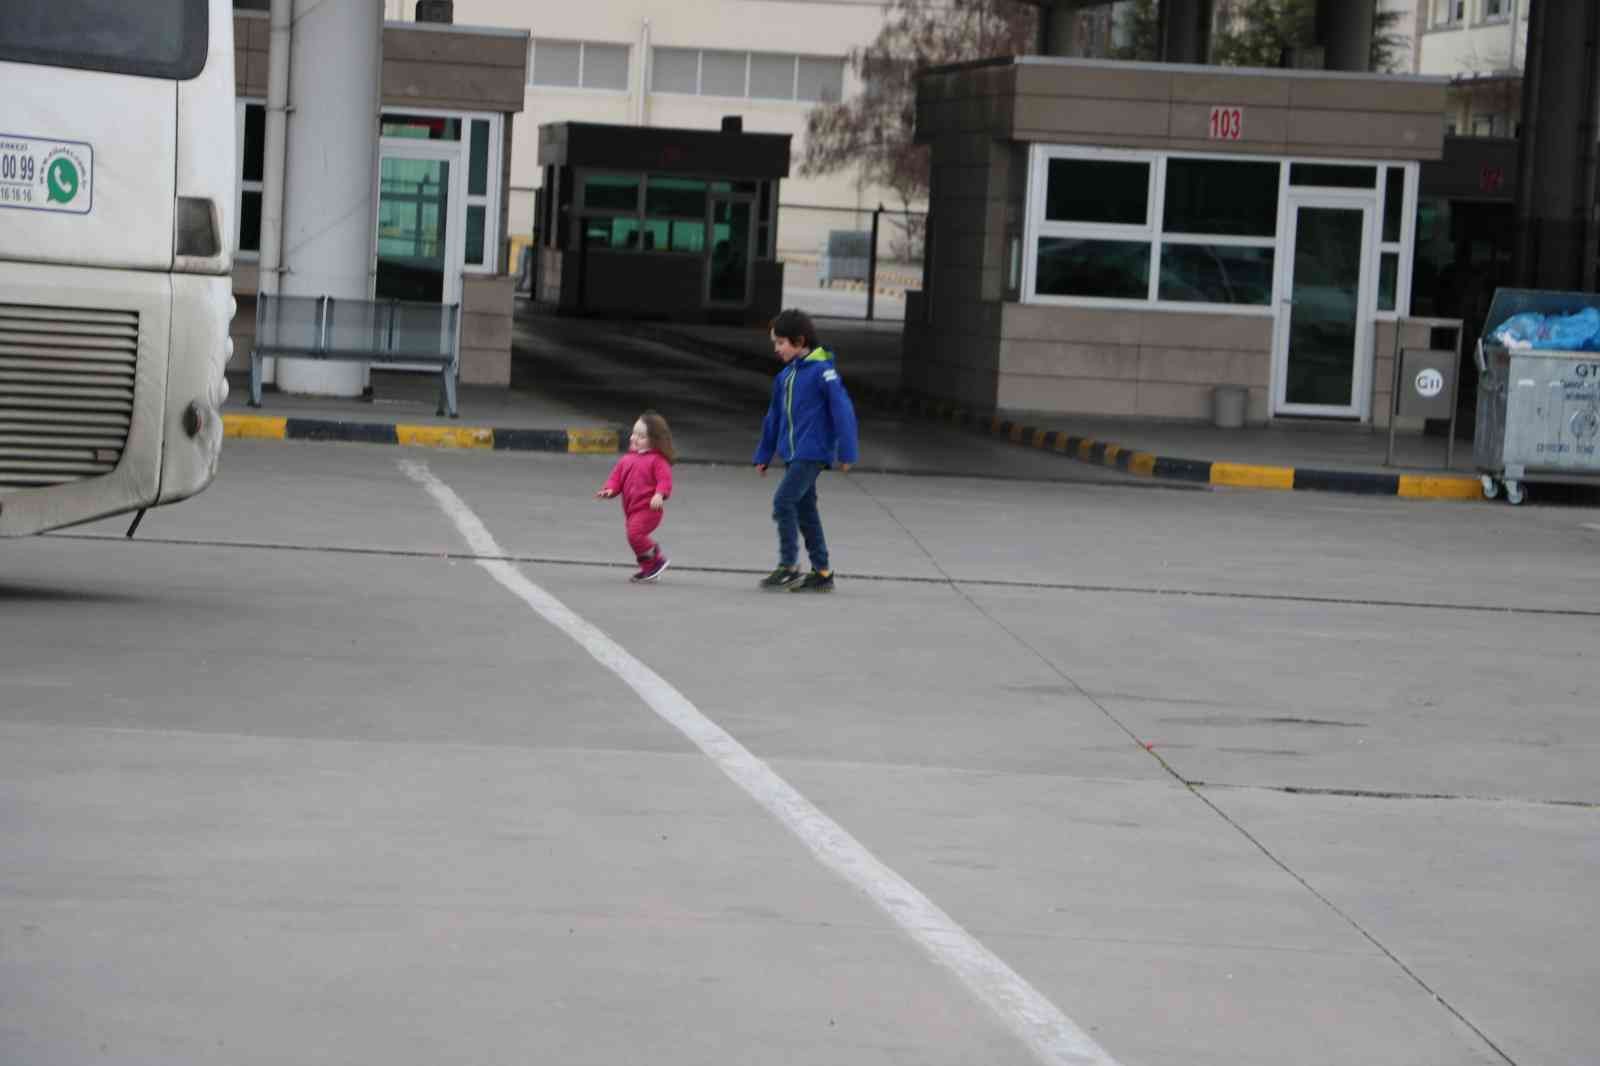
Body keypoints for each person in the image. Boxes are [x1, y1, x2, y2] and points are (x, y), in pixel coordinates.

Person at [753, 308, 859, 593]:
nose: (776, 349)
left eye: (781, 343)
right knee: (805, 510)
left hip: (811, 453)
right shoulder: (785, 376)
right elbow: (773, 417)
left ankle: (789, 566)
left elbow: (843, 411)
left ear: (800, 341)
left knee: (783, 502)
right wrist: (764, 454)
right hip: (793, 452)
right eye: (775, 343)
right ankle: (822, 571)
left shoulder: (824, 373)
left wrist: (847, 452)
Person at [596, 411, 675, 582]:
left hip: (650, 509)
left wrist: (659, 495)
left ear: (655, 440)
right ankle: (649, 568)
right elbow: (616, 479)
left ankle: (657, 558)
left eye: (641, 436)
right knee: (633, 537)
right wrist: (609, 490)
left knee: (634, 534)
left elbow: (665, 480)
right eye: (634, 433)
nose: (634, 438)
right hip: (632, 509)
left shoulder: (657, 460)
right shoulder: (626, 460)